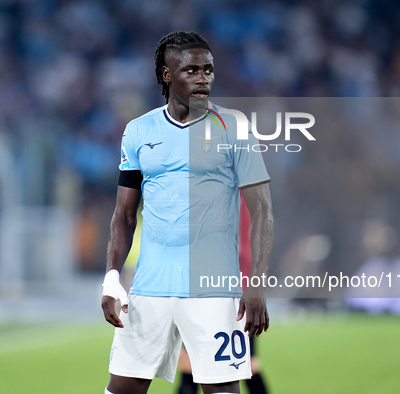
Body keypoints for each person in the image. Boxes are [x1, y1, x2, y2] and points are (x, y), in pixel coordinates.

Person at [101, 31, 273, 394]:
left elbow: (263, 212)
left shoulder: (235, 127)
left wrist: (255, 284)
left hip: (214, 290)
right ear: (167, 75)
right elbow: (124, 215)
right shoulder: (138, 132)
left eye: (208, 70)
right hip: (150, 288)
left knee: (222, 390)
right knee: (122, 390)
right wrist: (111, 278)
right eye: (191, 70)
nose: (203, 78)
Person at [177, 194, 269, 394]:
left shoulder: (215, 190)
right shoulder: (245, 190)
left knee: (190, 361)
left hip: (214, 284)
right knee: (246, 362)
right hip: (238, 284)